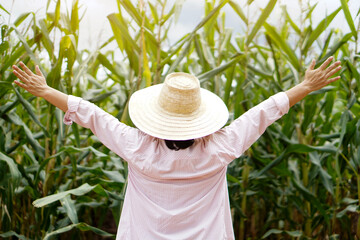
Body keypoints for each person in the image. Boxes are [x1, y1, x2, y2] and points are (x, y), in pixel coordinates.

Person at [12, 56, 341, 240]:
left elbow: (90, 114)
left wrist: (44, 90)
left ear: (156, 116)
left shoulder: (137, 148)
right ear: (201, 118)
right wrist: (306, 85)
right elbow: (265, 112)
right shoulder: (220, 148)